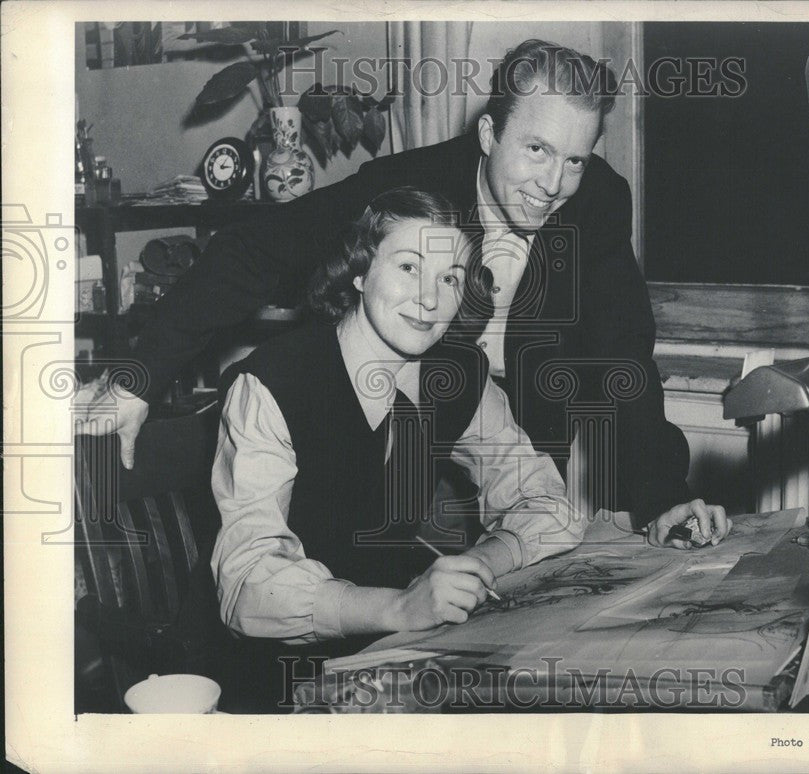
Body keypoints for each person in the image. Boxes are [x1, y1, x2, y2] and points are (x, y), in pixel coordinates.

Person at [79, 39, 730, 548]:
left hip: (514, 437)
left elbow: (623, 359)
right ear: (488, 135)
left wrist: (661, 494)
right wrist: (138, 378)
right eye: (536, 149)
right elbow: (254, 250)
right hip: (395, 434)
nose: (553, 184)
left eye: (574, 160)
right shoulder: (404, 190)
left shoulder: (597, 203)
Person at [211, 188, 586, 709]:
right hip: (274, 679)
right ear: (359, 272)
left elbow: (549, 505)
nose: (430, 299)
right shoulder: (272, 383)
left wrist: (480, 564)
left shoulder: (457, 375)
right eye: (410, 267)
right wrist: (399, 609)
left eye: (450, 278)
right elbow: (248, 585)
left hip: (397, 657)